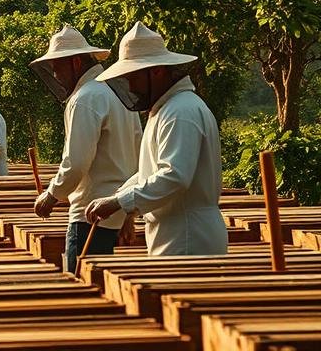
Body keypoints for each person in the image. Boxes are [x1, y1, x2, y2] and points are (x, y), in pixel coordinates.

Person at [85, 22, 228, 257]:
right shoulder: (167, 109)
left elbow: (174, 176)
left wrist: (120, 202)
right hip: (174, 231)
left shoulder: (180, 112)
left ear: (157, 71)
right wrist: (120, 201)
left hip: (188, 236)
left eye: (133, 77)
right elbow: (149, 174)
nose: (130, 85)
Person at [28, 25, 142, 273]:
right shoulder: (116, 90)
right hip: (114, 208)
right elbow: (137, 154)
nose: (56, 76)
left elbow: (76, 161)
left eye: (57, 67)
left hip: (89, 213)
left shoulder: (85, 97)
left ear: (76, 62)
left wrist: (51, 195)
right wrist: (126, 209)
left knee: (82, 284)